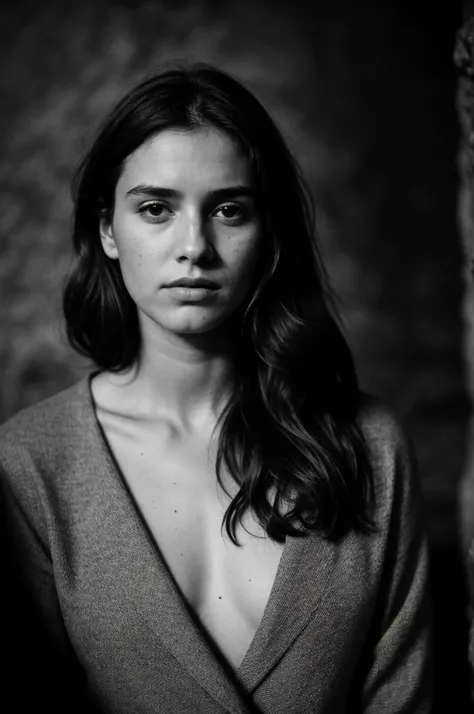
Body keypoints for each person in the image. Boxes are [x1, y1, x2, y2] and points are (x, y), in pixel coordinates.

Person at [0, 63, 432, 713]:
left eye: (229, 210)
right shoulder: (30, 464)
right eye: (156, 209)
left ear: (269, 233)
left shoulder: (370, 447)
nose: (194, 247)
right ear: (108, 230)